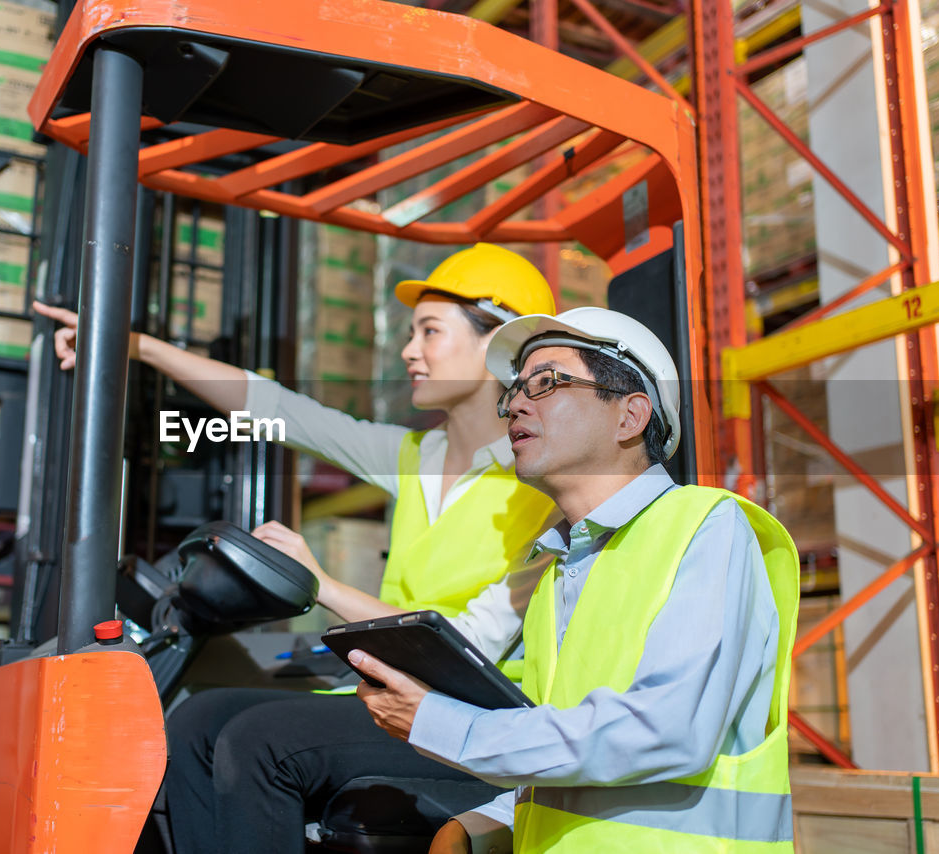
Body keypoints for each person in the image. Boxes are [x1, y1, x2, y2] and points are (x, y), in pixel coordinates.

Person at [33, 243, 561, 852]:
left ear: (496, 343)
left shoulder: (541, 483)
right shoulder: (414, 458)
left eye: (430, 332)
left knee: (257, 740)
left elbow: (464, 644)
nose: (408, 351)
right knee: (194, 721)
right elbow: (278, 410)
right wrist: (136, 347)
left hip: (472, 718)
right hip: (383, 689)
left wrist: (324, 585)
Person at [340, 306, 801, 854]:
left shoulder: (707, 528)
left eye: (547, 382)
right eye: (513, 391)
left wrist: (444, 724)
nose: (514, 404)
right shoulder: (555, 575)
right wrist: (482, 824)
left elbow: (668, 732)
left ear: (630, 417)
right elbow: (568, 758)